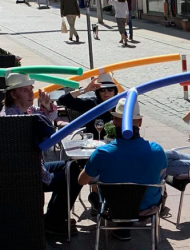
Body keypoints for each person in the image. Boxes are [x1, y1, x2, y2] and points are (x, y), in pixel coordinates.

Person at [1, 73, 82, 235]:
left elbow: (48, 117)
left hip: (36, 167)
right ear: (13, 94)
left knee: (73, 167)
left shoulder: (24, 109)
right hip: (27, 176)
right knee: (76, 177)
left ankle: (52, 217)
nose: (32, 93)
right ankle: (53, 221)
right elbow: (43, 124)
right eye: (25, 91)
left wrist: (45, 105)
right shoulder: (11, 117)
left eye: (31, 89)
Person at [78, 99, 167, 240]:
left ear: (114, 121)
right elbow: (161, 173)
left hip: (113, 207)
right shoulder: (157, 150)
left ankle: (121, 229)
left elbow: (82, 181)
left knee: (94, 194)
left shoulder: (102, 153)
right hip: (147, 208)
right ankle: (124, 229)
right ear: (140, 122)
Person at [57, 73, 118, 139]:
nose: (106, 93)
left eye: (110, 90)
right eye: (102, 90)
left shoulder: (120, 104)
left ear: (115, 91)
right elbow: (63, 100)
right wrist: (85, 89)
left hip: (116, 143)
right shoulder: (92, 103)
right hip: (94, 143)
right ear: (98, 92)